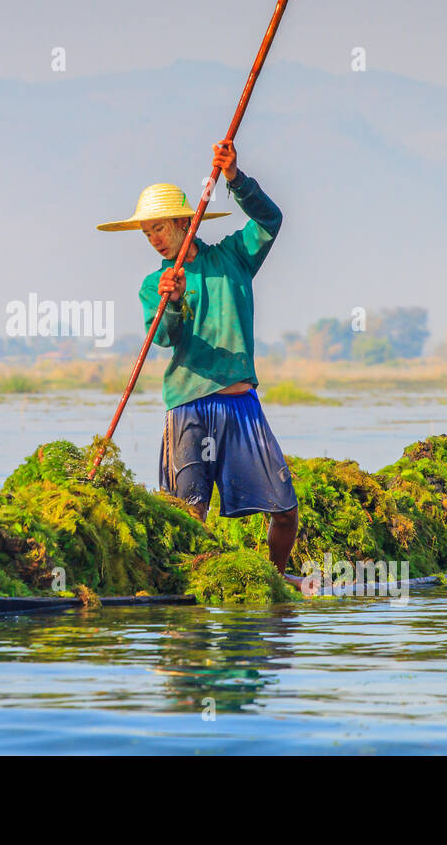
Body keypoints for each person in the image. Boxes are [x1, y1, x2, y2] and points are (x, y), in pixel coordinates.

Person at [96, 139, 298, 572]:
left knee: (284, 509)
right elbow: (165, 339)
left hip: (240, 405)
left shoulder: (233, 258)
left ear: (186, 222)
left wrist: (235, 179)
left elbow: (270, 219)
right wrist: (172, 301)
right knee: (189, 516)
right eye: (146, 232)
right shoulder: (156, 284)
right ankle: (187, 588)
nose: (153, 240)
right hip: (187, 407)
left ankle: (276, 580)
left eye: (160, 228)